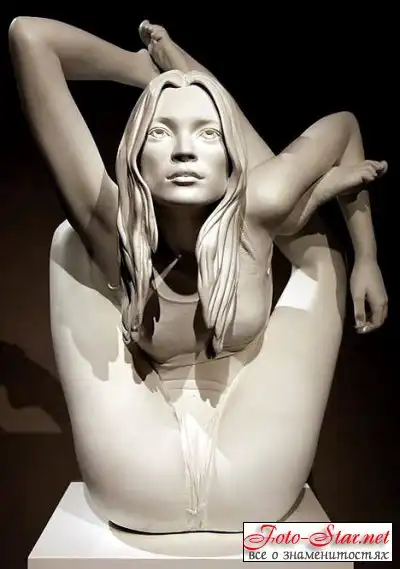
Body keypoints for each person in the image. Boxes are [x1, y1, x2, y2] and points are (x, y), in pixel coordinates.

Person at [8, 16, 388, 533]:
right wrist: (142, 72)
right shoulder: (114, 230)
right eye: (160, 132)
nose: (183, 150)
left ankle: (283, 194)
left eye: (208, 134)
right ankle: (296, 204)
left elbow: (344, 126)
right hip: (146, 467)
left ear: (231, 157)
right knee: (72, 241)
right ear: (134, 153)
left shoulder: (260, 199)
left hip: (245, 463)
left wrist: (368, 257)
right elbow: (28, 36)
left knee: (304, 237)